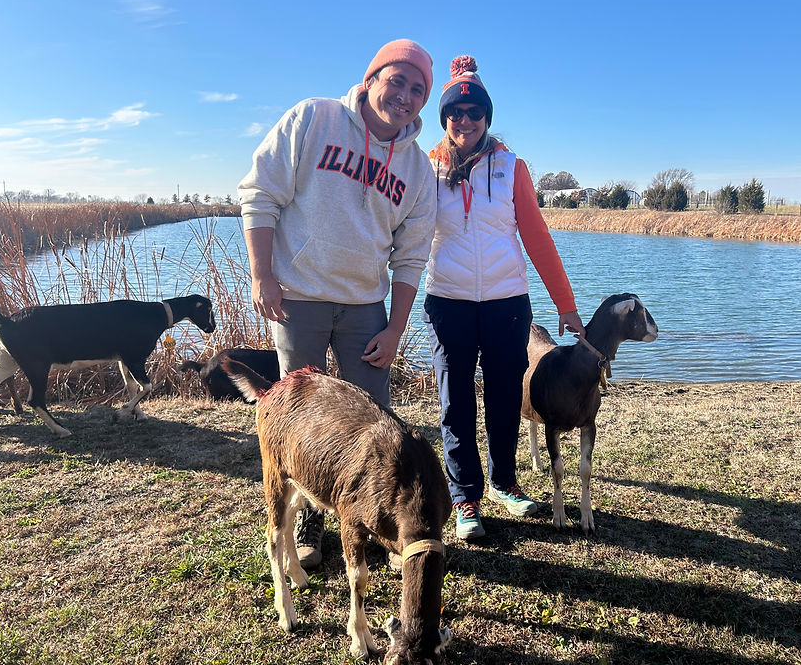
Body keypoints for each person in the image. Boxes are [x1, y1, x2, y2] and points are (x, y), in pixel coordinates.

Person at [238, 39, 437, 566]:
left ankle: (380, 525)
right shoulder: (312, 119)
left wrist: (394, 328)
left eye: (418, 89)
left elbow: (412, 255)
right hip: (297, 298)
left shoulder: (418, 170)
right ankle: (309, 523)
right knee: (301, 420)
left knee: (376, 425)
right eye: (397, 80)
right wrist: (263, 275)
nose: (406, 96)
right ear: (371, 78)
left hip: (365, 310)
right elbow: (260, 194)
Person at [424, 55, 585, 540]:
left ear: (487, 118)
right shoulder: (426, 168)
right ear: (445, 119)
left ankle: (503, 482)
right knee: (455, 403)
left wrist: (567, 305)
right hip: (448, 303)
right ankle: (464, 498)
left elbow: (536, 237)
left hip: (507, 304)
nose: (465, 121)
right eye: (455, 113)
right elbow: (403, 238)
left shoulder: (511, 167)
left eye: (474, 113)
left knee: (503, 399)